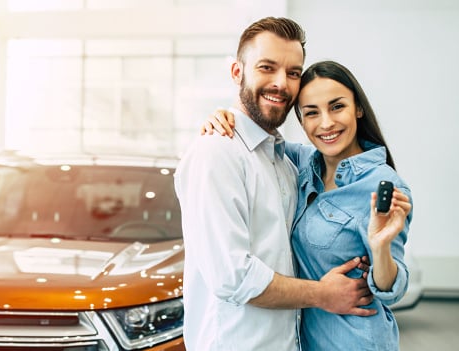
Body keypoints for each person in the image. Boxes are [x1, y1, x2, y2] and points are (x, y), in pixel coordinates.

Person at [174, 17, 379, 351]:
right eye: (267, 68)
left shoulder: (283, 161)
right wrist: (323, 294)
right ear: (237, 72)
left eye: (293, 72)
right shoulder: (217, 153)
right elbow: (233, 277)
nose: (281, 83)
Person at [201, 60, 413, 350]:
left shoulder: (381, 184)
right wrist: (225, 116)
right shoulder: (302, 162)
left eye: (337, 107)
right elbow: (254, 138)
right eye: (312, 113)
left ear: (358, 109)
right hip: (307, 341)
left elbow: (393, 290)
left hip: (357, 340)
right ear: (301, 121)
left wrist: (380, 248)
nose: (326, 123)